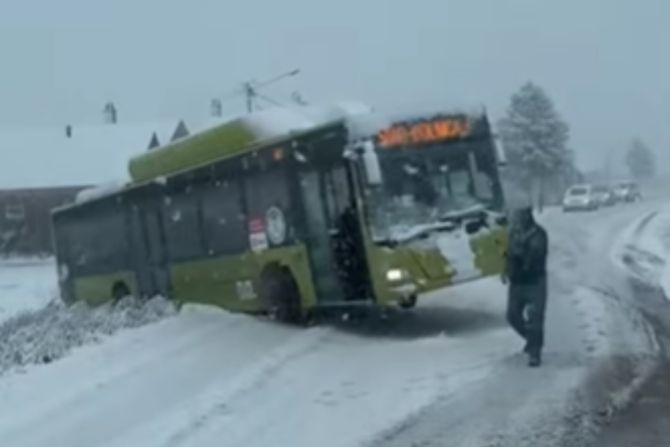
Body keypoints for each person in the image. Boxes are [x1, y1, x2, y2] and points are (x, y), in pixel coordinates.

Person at [502, 207, 548, 367]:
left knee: (535, 318)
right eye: (515, 217)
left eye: (519, 217)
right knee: (512, 316)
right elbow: (508, 253)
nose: (517, 220)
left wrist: (521, 255)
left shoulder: (539, 234)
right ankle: (532, 340)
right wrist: (505, 270)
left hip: (535, 281)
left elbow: (535, 255)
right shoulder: (514, 233)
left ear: (528, 217)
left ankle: (535, 353)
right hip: (517, 282)